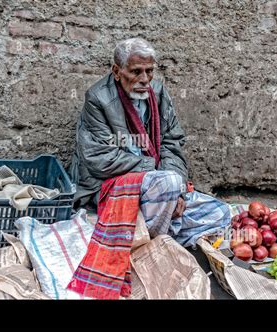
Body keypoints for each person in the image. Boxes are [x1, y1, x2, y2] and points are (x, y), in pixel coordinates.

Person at [69, 38, 229, 246]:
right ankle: (159, 240)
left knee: (219, 212)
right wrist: (155, 171)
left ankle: (144, 235)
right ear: (117, 72)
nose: (145, 79)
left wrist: (177, 192)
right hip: (110, 186)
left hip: (157, 186)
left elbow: (171, 143)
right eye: (136, 72)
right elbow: (99, 158)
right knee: (168, 184)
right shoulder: (98, 98)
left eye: (149, 71)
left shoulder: (158, 92)